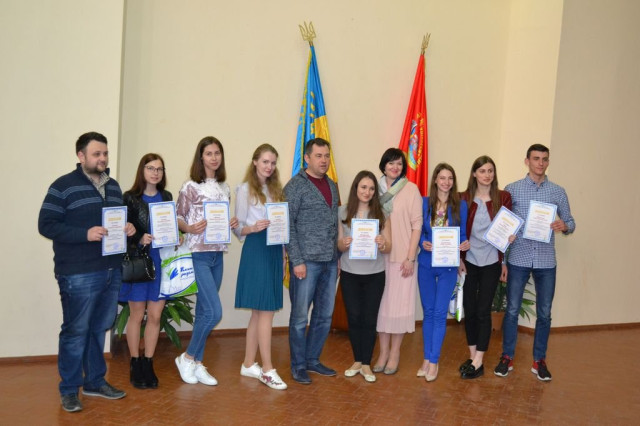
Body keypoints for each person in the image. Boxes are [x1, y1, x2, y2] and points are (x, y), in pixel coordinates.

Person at [38, 132, 136, 413]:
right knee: (75, 331)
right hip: (78, 273)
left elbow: (117, 222)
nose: (102, 158)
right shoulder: (63, 186)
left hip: (110, 270)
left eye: (105, 153)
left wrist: (128, 228)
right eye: (96, 154)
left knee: (98, 329)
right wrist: (85, 233)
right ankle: (69, 389)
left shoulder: (113, 187)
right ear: (81, 156)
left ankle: (94, 381)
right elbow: (46, 224)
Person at [494, 144, 575, 381]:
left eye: (544, 159)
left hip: (546, 261)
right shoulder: (512, 189)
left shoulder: (558, 191)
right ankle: (507, 357)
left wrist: (565, 226)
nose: (540, 163)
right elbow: (503, 226)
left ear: (548, 162)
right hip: (518, 258)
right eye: (536, 158)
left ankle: (539, 360)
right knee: (511, 310)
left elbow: (571, 222)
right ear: (527, 161)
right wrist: (503, 262)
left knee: (545, 313)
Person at [174, 136, 238, 386]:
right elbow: (178, 217)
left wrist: (231, 223)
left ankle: (197, 363)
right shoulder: (190, 186)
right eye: (209, 153)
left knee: (203, 310)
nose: (214, 157)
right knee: (214, 311)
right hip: (198, 253)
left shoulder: (224, 188)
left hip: (217, 254)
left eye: (217, 153)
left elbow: (221, 220)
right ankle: (187, 357)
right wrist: (189, 228)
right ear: (201, 157)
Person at [284, 138, 339, 385]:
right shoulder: (295, 186)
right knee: (299, 318)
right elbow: (287, 225)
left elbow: (333, 224)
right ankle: (298, 365)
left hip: (330, 261)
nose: (323, 160)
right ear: (307, 158)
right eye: (318, 156)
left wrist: (337, 258)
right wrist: (296, 260)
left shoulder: (332, 185)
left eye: (326, 156)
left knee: (324, 316)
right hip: (306, 262)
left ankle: (312, 360)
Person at [234, 144, 287, 390]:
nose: (269, 166)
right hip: (256, 247)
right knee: (265, 310)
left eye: (273, 163)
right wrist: (252, 228)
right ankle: (267, 369)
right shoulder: (245, 189)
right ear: (255, 161)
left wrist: (284, 255)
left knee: (259, 312)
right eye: (265, 161)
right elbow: (237, 228)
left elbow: (281, 225)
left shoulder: (276, 190)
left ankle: (248, 363)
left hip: (274, 249)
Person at [118, 153, 172, 389]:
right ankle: (135, 362)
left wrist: (176, 237)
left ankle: (148, 361)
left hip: (161, 261)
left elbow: (170, 225)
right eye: (150, 168)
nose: (155, 173)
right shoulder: (129, 198)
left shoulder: (167, 196)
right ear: (142, 170)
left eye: (159, 169)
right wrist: (139, 238)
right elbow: (122, 231)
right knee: (137, 315)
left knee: (156, 316)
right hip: (140, 262)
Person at [458, 156, 513, 379]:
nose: (487, 175)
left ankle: (479, 359)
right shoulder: (463, 198)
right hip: (469, 261)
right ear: (474, 174)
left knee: (483, 310)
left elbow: (507, 228)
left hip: (491, 261)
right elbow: (457, 229)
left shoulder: (503, 197)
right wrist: (459, 257)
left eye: (490, 171)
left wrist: (505, 258)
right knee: (470, 309)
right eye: (482, 171)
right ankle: (473, 357)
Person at [338, 171, 392, 383]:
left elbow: (389, 247)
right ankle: (357, 361)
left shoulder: (382, 213)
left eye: (371, 188)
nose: (367, 192)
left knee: (369, 319)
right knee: (354, 318)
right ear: (356, 188)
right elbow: (338, 244)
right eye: (363, 187)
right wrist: (344, 244)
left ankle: (366, 363)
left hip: (375, 275)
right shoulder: (342, 212)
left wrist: (382, 243)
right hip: (350, 273)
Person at [417, 163, 469, 382]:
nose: (446, 182)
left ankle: (434, 361)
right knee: (428, 312)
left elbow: (462, 234)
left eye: (450, 178)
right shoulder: (423, 202)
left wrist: (464, 244)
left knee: (439, 313)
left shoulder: (461, 205)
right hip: (426, 263)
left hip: (448, 265)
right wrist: (422, 242)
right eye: (442, 178)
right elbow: (418, 231)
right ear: (435, 180)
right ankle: (426, 359)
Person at [373, 148, 423, 375]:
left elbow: (417, 226)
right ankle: (382, 352)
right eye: (391, 163)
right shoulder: (373, 188)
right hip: (377, 258)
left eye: (399, 164)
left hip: (403, 258)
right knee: (382, 307)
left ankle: (395, 353)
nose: (395, 167)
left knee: (400, 307)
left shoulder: (411, 189)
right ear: (383, 165)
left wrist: (410, 257)